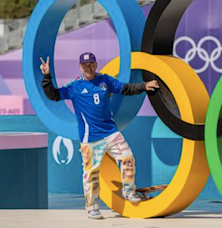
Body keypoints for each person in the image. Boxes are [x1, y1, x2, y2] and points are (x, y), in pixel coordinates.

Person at [40, 52, 159, 219]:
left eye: (91, 64)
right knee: (91, 174)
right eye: (85, 65)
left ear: (96, 65)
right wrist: (46, 76)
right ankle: (92, 208)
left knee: (127, 158)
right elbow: (53, 95)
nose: (88, 67)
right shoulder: (74, 86)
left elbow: (125, 89)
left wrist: (143, 86)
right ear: (80, 67)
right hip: (90, 138)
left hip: (110, 132)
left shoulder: (105, 80)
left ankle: (128, 192)